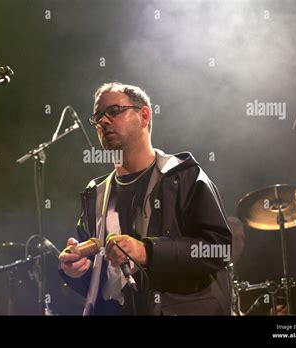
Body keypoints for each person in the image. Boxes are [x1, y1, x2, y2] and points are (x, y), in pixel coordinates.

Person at [58, 82, 232, 315]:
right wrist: (75, 270)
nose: (103, 121)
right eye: (98, 116)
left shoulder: (183, 176)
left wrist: (148, 251)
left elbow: (219, 249)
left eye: (114, 111)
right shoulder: (95, 195)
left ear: (144, 115)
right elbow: (102, 282)